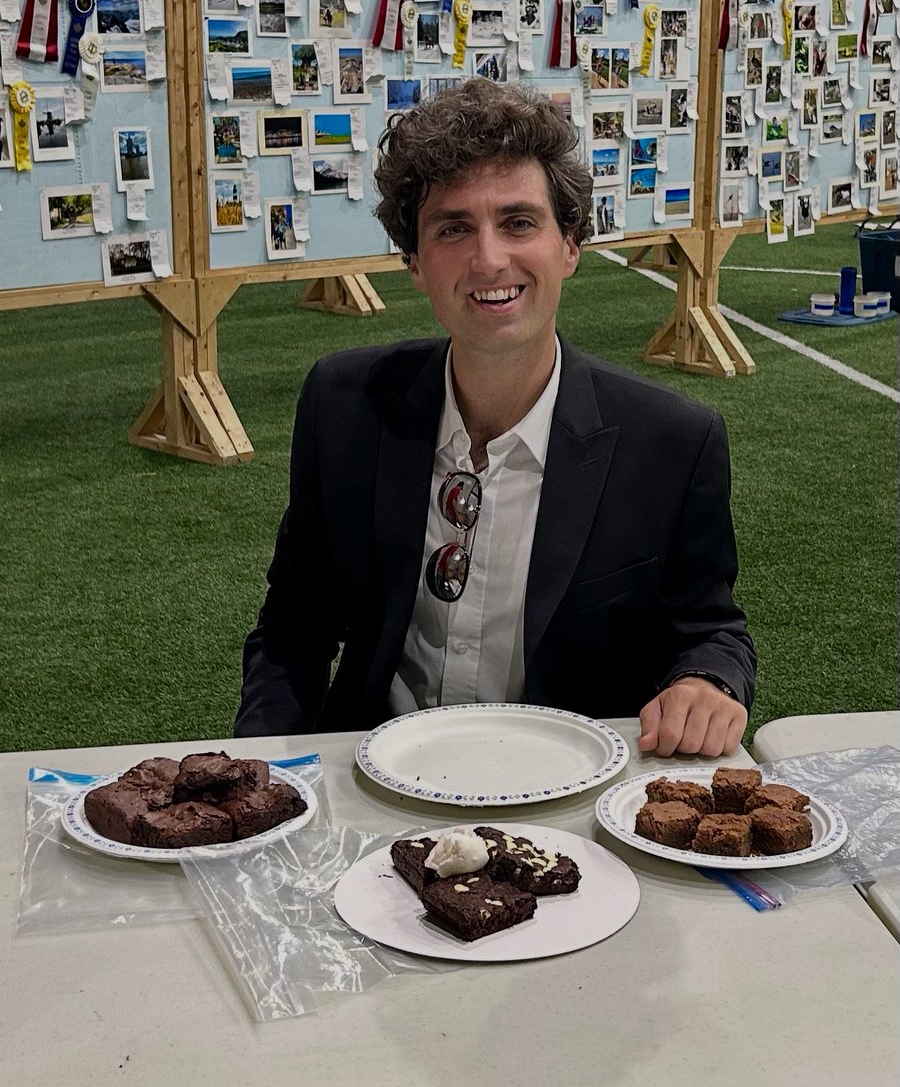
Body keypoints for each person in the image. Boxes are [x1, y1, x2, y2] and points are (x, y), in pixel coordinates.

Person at [236, 79, 755, 757]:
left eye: (518, 222)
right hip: (378, 772)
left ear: (570, 244)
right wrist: (265, 767)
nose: (488, 259)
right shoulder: (345, 405)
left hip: (568, 786)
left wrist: (707, 681)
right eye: (454, 228)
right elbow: (295, 623)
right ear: (415, 262)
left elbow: (711, 631)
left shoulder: (672, 442)